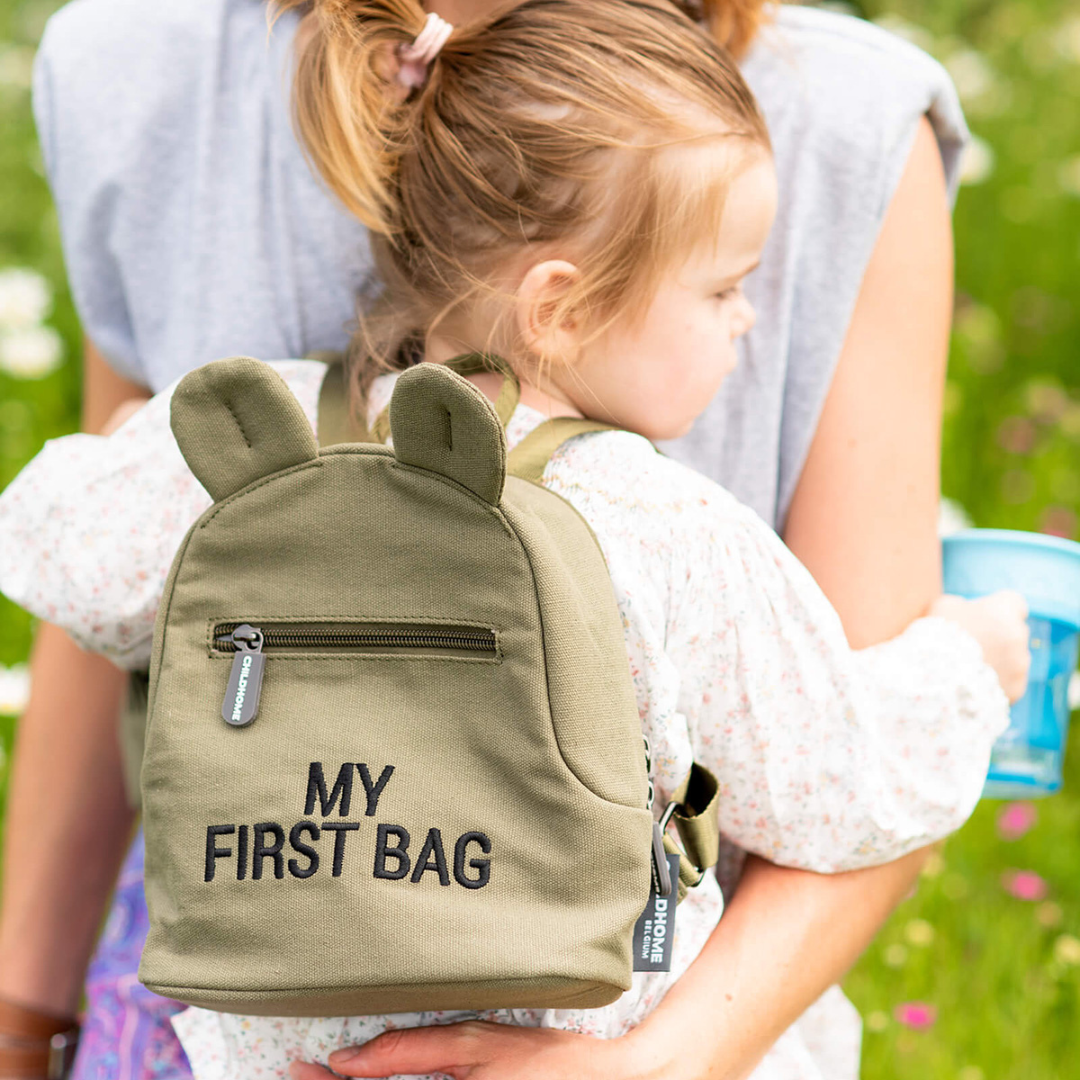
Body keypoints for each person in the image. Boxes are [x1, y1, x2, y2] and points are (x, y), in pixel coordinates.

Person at [0, 3, 1028, 1079]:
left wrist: (131, 439)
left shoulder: (271, 442)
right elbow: (832, 779)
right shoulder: (665, 523)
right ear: (560, 308)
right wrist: (971, 667)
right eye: (722, 288)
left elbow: (47, 550)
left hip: (267, 1037)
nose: (746, 320)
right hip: (575, 1036)